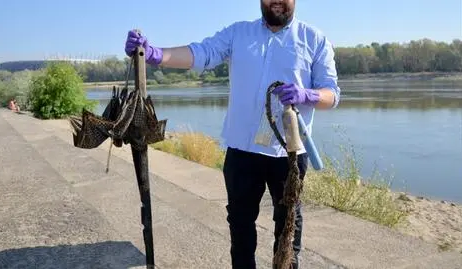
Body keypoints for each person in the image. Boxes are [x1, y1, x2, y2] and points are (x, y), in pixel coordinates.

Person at [124, 0, 341, 268]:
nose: (277, 1)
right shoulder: (238, 33)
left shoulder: (315, 39)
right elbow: (202, 53)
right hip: (242, 151)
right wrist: (155, 54)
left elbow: (332, 95)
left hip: (289, 154)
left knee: (288, 230)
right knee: (240, 229)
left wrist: (309, 95)